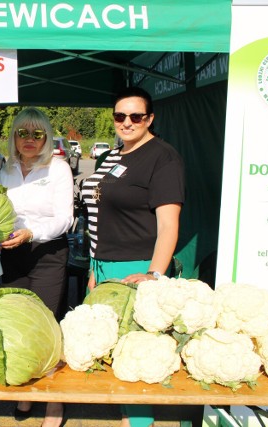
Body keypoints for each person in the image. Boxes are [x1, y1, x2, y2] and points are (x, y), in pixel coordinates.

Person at [81, 87, 185, 427]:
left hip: (136, 270)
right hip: (103, 267)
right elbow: (100, 213)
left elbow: (168, 226)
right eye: (120, 116)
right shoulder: (113, 155)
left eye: (135, 116)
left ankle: (138, 423)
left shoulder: (162, 157)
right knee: (113, 356)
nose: (127, 122)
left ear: (150, 118)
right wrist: (94, 266)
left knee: (136, 359)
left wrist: (154, 275)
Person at [0, 107, 73, 427]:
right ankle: (26, 393)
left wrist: (33, 233)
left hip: (47, 254)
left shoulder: (58, 169)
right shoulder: (5, 170)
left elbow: (65, 218)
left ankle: (54, 405)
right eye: (23, 133)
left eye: (37, 134)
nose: (29, 140)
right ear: (14, 136)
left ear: (47, 137)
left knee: (47, 324)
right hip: (12, 255)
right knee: (17, 324)